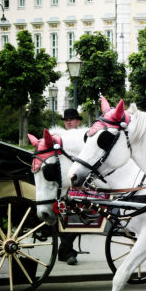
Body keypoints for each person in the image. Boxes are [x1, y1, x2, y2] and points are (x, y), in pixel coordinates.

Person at [60, 109, 84, 265]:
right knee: (63, 218)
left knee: (81, 218)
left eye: (72, 119)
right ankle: (67, 251)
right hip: (63, 184)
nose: (68, 121)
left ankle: (65, 251)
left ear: (78, 121)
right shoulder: (60, 139)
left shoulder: (85, 138)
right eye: (66, 119)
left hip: (81, 184)